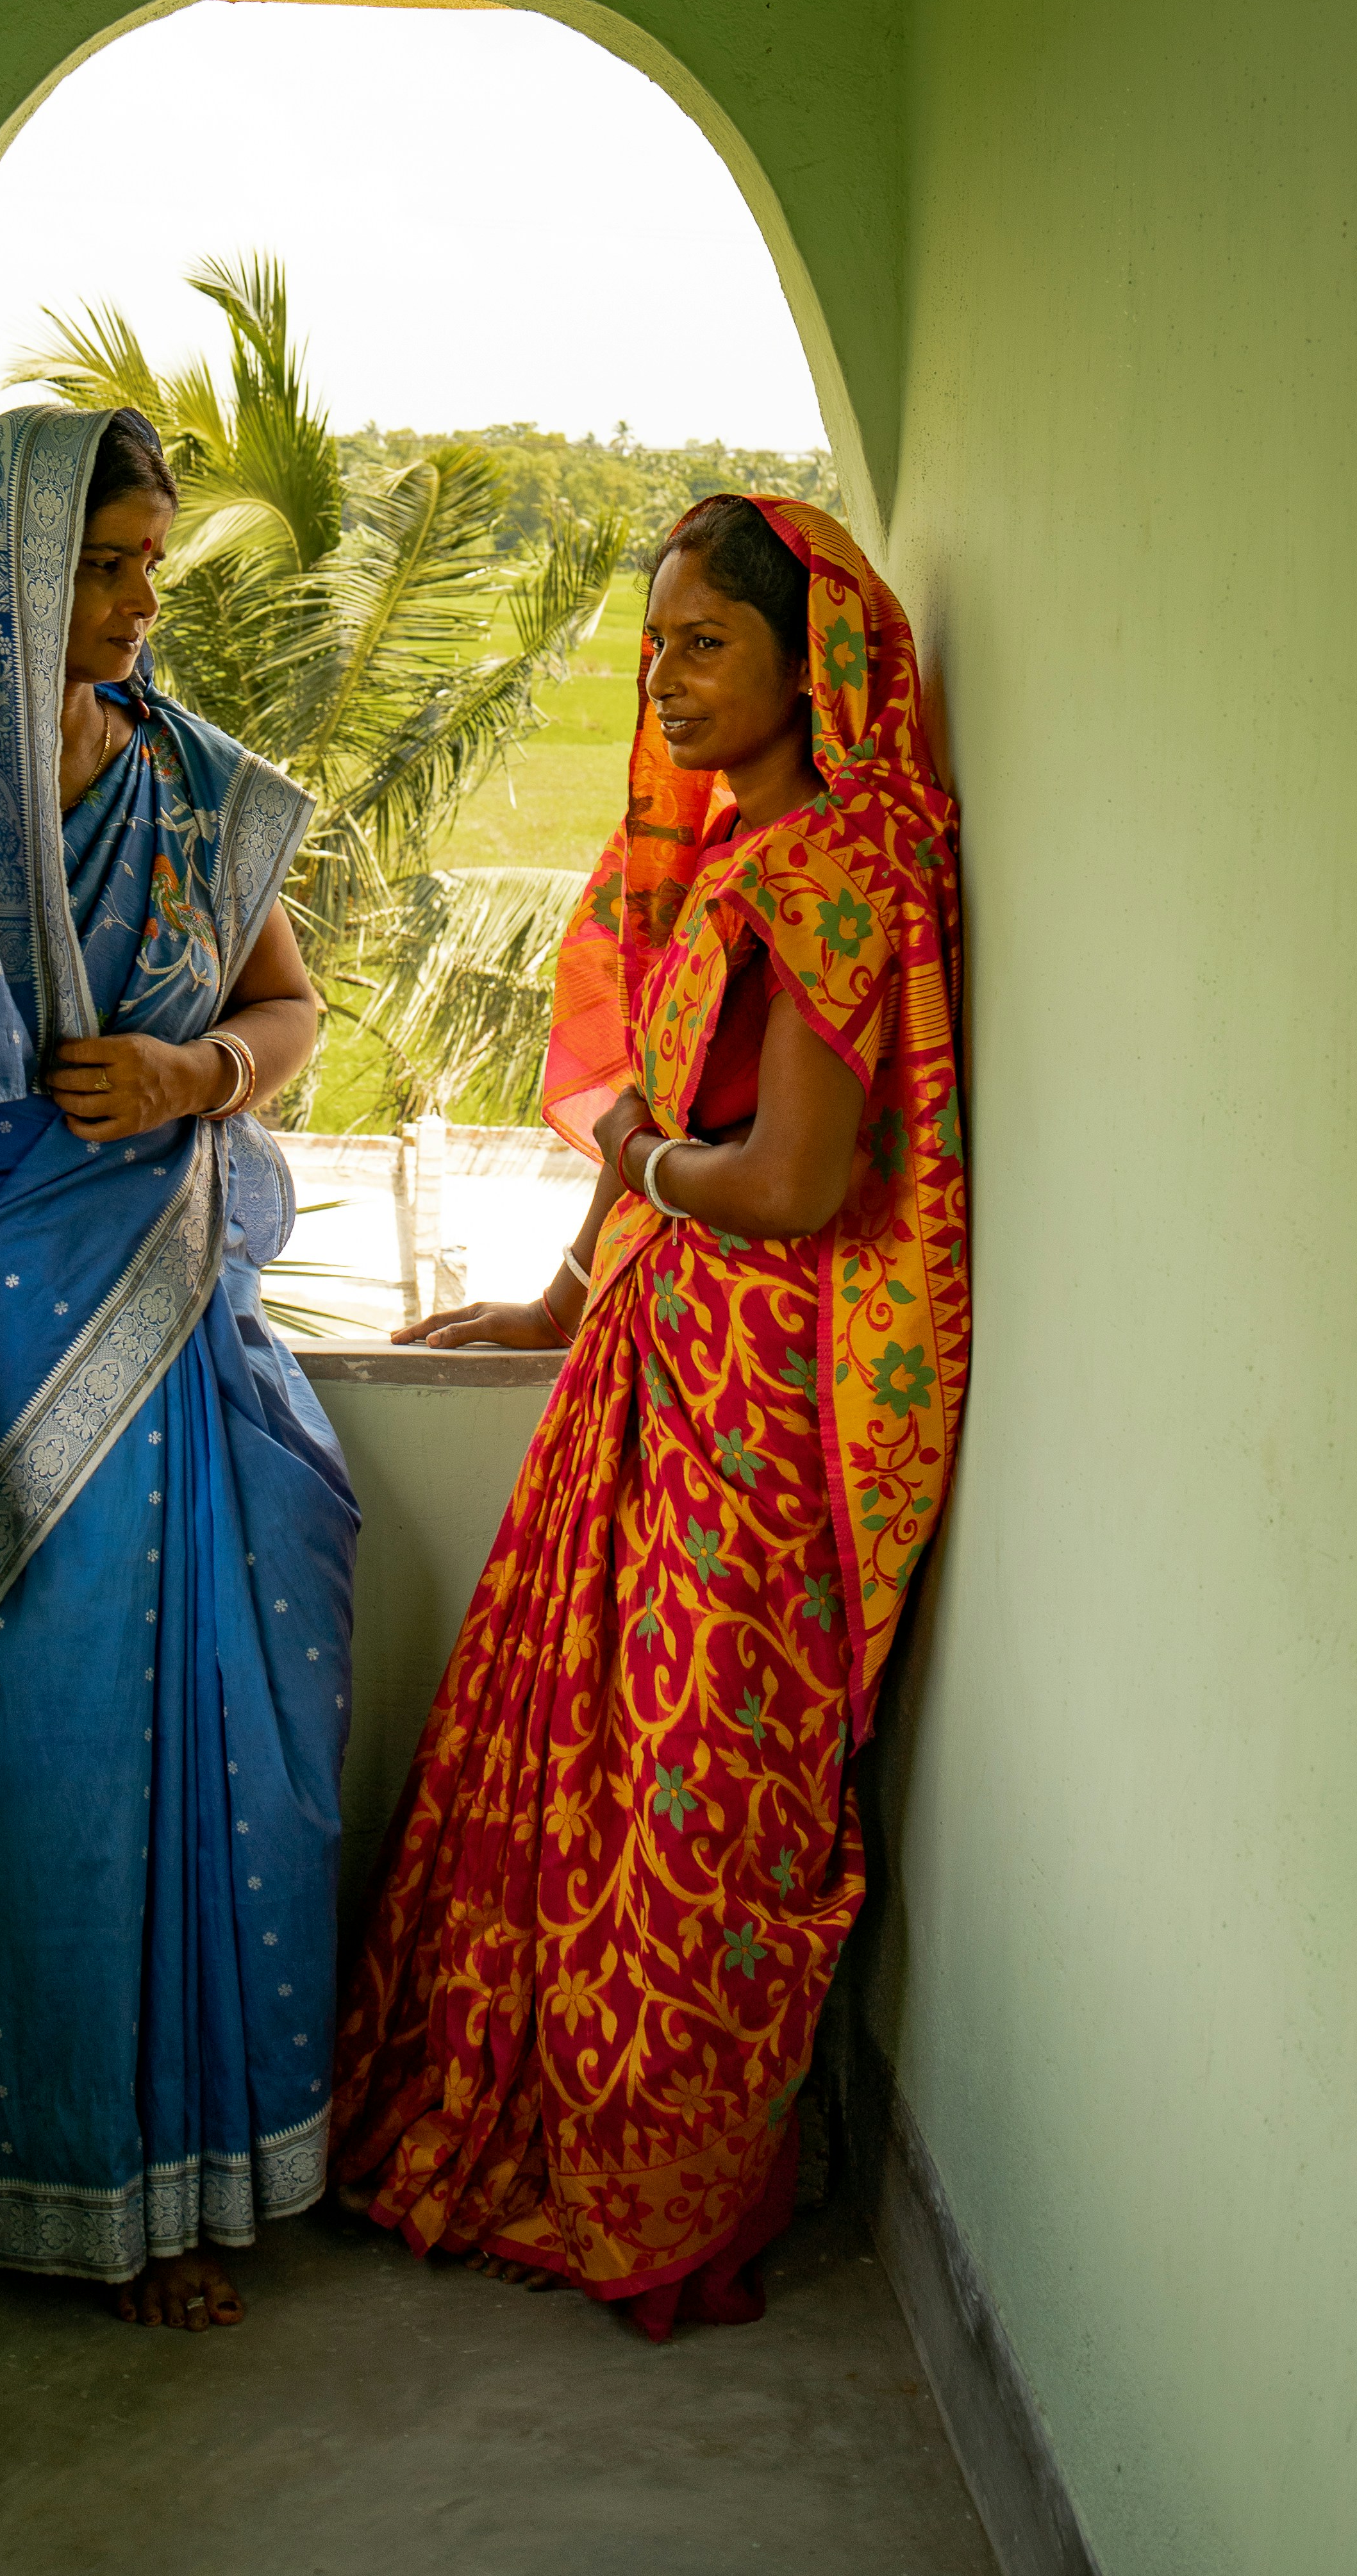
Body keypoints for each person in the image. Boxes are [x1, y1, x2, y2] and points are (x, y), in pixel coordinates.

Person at [331, 495, 966, 2335]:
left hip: (761, 1414)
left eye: (707, 643)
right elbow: (690, 1141)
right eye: (656, 646)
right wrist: (550, 1295)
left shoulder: (837, 869)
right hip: (650, 1364)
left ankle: (665, 2178)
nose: (666, 684)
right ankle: (556, 2111)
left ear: (810, 661)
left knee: (699, 1798)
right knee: (586, 1774)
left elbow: (786, 1182)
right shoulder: (737, 857)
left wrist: (640, 1156)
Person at [0, 402, 356, 2332]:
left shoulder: (187, 782)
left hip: (185, 1348)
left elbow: (288, 1005)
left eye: (149, 568)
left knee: (245, 1740)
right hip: (1, 1377)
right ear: (9, 578)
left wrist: (195, 1075)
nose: (143, 604)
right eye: (107, 569)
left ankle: (196, 2161)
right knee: (49, 1781)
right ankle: (57, 2178)